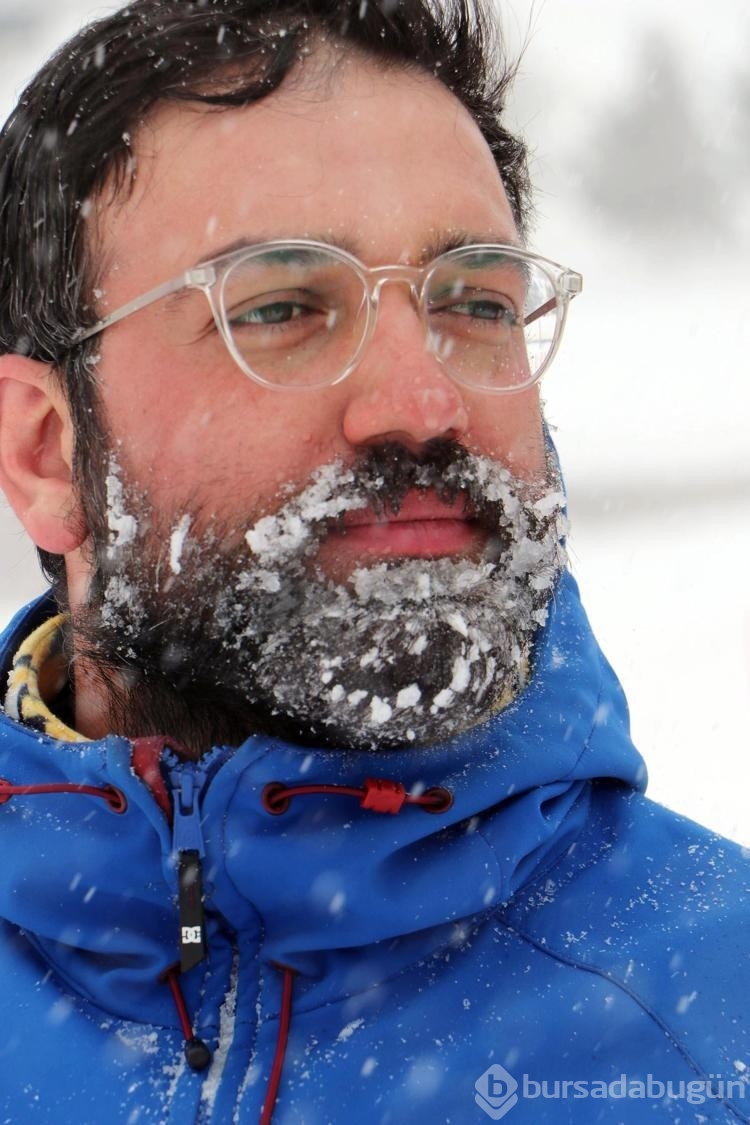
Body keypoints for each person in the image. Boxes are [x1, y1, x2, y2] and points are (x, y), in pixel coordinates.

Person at [0, 0, 746, 1120]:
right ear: (46, 451)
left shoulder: (716, 1023)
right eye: (284, 306)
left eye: (476, 301)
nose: (425, 401)